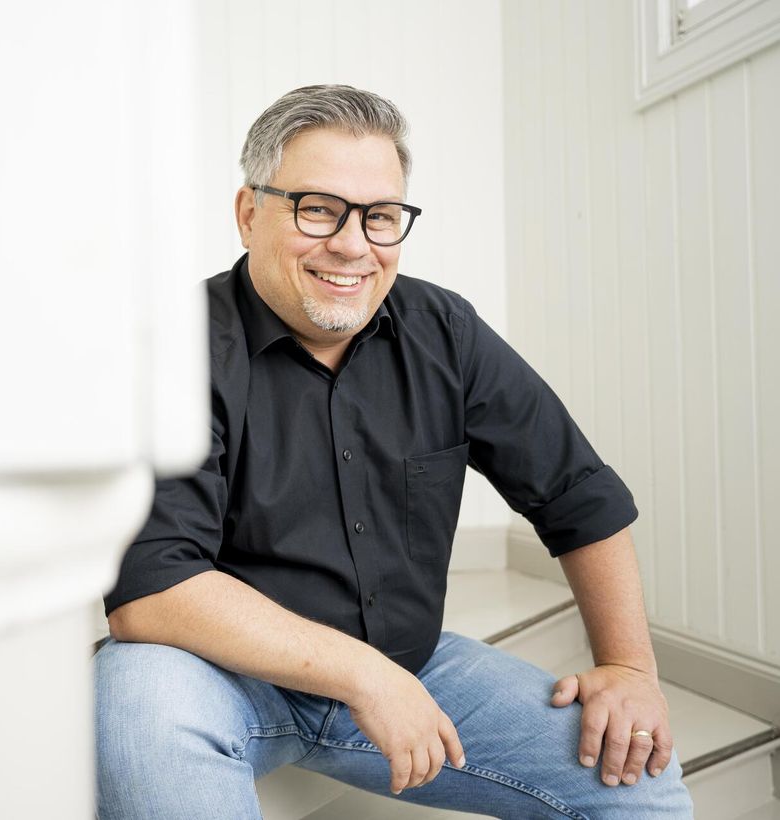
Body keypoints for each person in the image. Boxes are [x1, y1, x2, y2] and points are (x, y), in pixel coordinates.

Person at [94, 85, 693, 819]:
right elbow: (153, 589)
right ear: (249, 214)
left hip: (413, 664)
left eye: (379, 216)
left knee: (640, 780)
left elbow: (579, 496)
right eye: (318, 208)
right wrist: (363, 676)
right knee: (134, 708)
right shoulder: (178, 346)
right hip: (221, 675)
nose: (353, 245)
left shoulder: (444, 330)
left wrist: (629, 667)